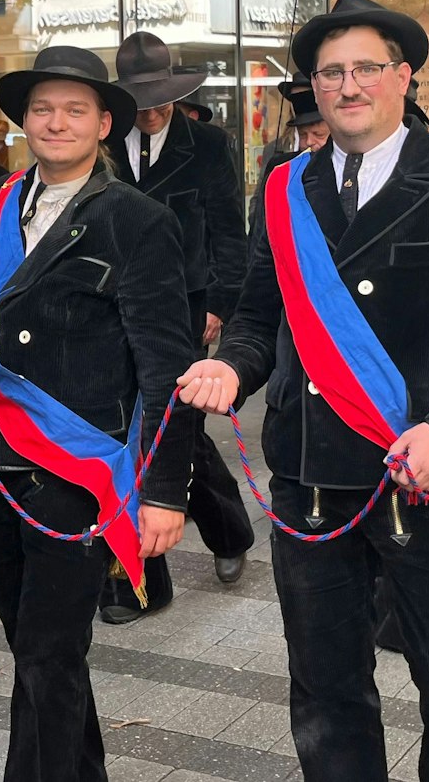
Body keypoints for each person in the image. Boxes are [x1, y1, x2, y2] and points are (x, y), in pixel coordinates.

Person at [178, 0, 429, 782]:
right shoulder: (284, 188)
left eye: (365, 68)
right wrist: (233, 364)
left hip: (427, 476)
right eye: (330, 72)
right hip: (311, 479)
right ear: (314, 88)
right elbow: (259, 315)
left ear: (404, 76)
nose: (347, 86)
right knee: (325, 692)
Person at [0, 45, 195, 782]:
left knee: (51, 651)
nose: (56, 122)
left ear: (103, 123)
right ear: (21, 121)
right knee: (28, 640)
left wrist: (164, 490)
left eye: (74, 109)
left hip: (77, 469)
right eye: (42, 108)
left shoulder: (135, 219)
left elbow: (165, 368)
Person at [98, 31, 254, 623]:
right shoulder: (107, 144)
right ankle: (138, 579)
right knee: (127, 426)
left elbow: (228, 233)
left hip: (186, 304)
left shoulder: (209, 145)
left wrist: (221, 302)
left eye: (161, 97)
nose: (153, 109)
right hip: (114, 303)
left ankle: (229, 532)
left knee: (172, 421)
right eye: (140, 100)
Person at [249, 79, 330, 234]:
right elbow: (260, 200)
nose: (309, 142)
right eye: (303, 135)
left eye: (318, 135)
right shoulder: (276, 155)